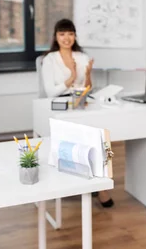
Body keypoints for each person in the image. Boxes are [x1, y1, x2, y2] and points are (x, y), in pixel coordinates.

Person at [40, 19, 114, 208]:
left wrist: (87, 75)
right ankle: (86, 184)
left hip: (80, 101)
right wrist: (72, 76)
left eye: (70, 34)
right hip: (58, 103)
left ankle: (98, 184)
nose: (67, 38)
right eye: (62, 34)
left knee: (97, 136)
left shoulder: (81, 56)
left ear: (75, 36)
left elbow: (87, 88)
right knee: (78, 136)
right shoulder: (49, 59)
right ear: (56, 37)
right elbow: (50, 92)